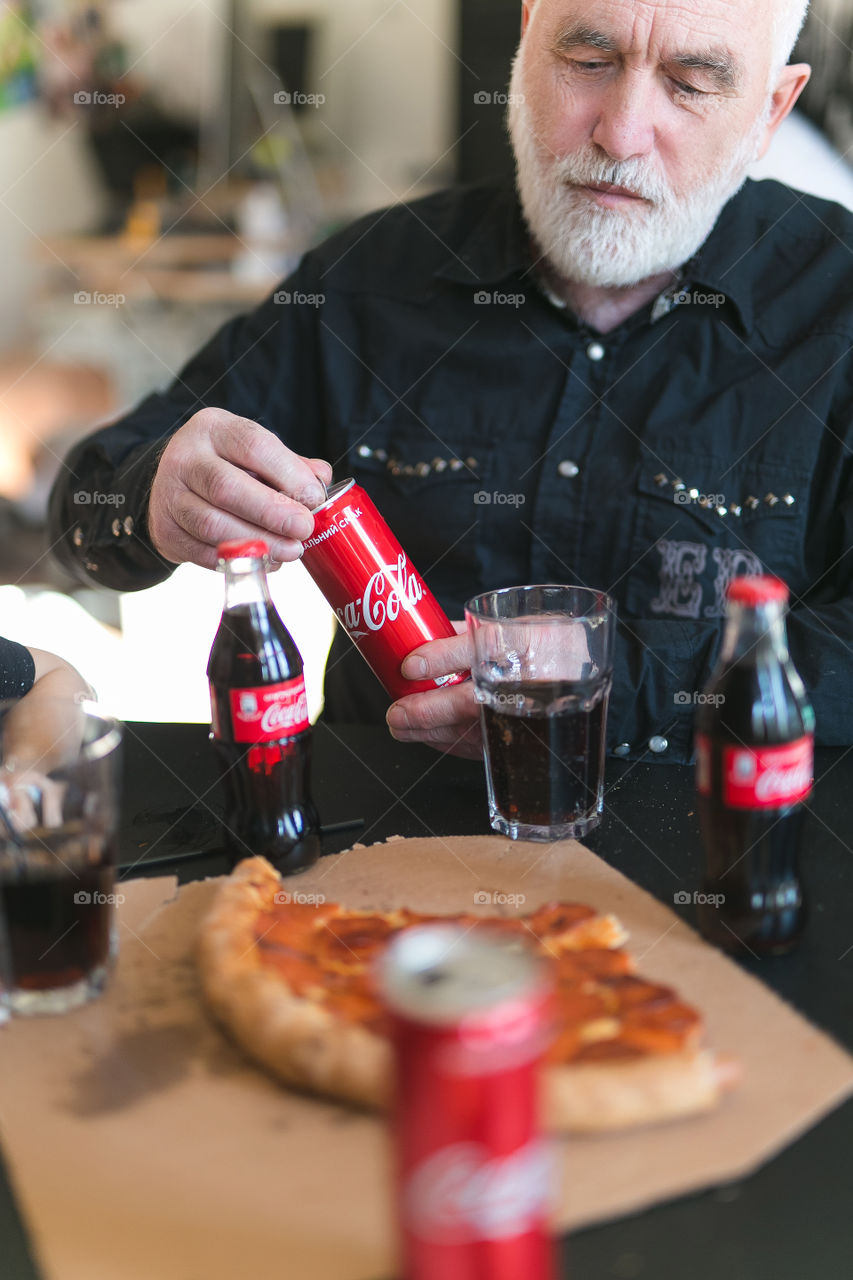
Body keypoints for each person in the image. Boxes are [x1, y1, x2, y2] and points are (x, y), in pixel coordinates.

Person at [49, 0, 852, 764]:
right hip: (380, 844)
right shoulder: (368, 284)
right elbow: (80, 510)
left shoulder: (837, 304)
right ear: (526, 42)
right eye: (588, 59)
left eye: (691, 84)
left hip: (722, 845)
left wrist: (620, 682)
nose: (619, 133)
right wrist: (153, 494)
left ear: (769, 113)